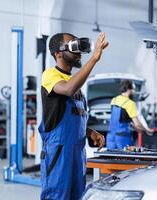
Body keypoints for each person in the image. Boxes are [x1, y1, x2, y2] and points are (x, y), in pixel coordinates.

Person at [38, 32, 109, 200]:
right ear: (58, 53)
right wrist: (94, 59)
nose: (79, 53)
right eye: (74, 47)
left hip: (77, 156)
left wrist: (90, 132)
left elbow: (76, 117)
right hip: (58, 155)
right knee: (57, 196)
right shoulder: (50, 75)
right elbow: (67, 89)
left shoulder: (75, 82)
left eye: (79, 48)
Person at [107, 80, 153, 149]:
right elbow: (137, 124)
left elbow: (121, 119)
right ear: (129, 89)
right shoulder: (130, 104)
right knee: (125, 159)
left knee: (109, 158)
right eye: (133, 89)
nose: (134, 92)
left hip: (110, 138)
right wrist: (146, 130)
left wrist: (133, 125)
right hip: (123, 139)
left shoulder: (114, 100)